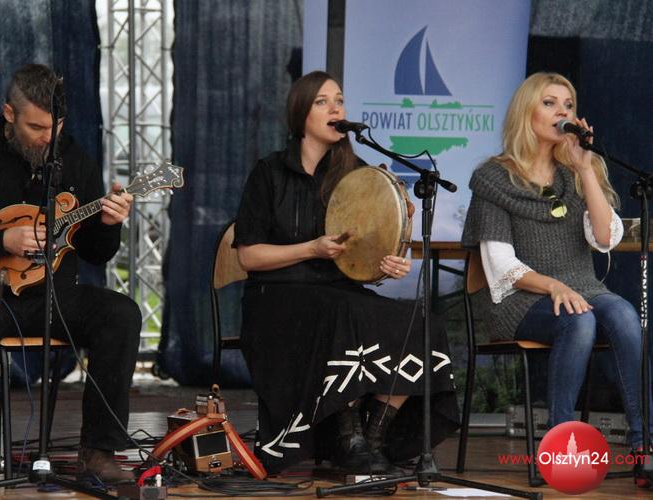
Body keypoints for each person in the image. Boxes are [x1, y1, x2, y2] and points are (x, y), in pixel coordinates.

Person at [0, 64, 142, 487]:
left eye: (55, 127)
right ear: (9, 113)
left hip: (56, 295)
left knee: (121, 315)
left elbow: (96, 254)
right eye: (36, 127)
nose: (47, 138)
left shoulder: (76, 161)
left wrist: (110, 224)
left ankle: (99, 451)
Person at [233, 71, 459, 475]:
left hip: (336, 292)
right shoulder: (269, 173)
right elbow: (249, 257)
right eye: (322, 102)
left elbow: (367, 255)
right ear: (301, 114)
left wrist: (389, 263)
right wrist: (312, 248)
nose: (335, 108)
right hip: (276, 297)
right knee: (344, 313)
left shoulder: (358, 175)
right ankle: (347, 436)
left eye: (339, 100)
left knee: (421, 323)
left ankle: (372, 438)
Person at [461, 72, 652, 486]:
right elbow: (500, 265)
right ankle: (559, 446)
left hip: (581, 287)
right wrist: (553, 286)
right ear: (525, 112)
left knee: (623, 314)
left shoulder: (576, 172)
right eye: (549, 103)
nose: (561, 112)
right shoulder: (495, 178)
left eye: (568, 105)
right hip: (518, 298)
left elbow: (604, 238)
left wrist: (585, 169)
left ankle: (645, 448)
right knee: (579, 320)